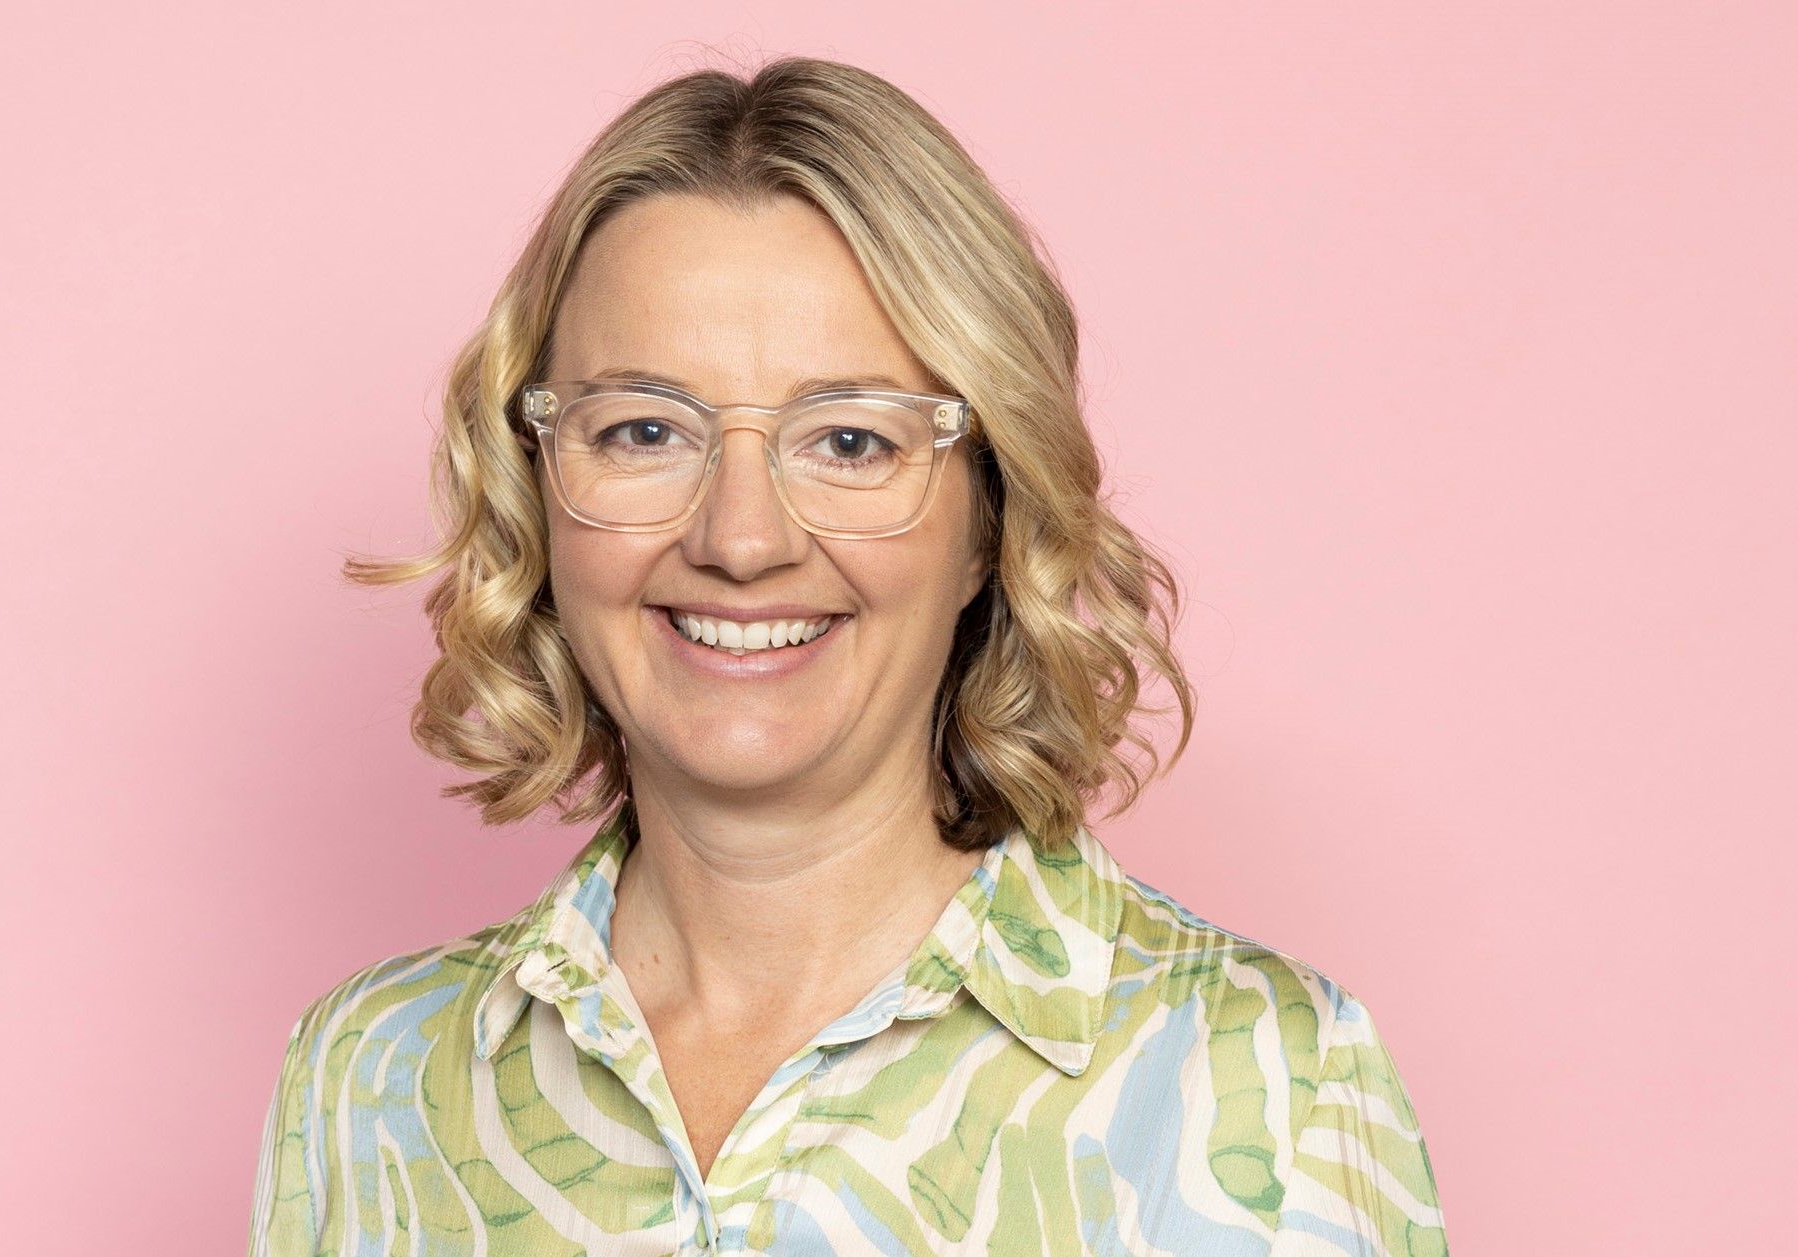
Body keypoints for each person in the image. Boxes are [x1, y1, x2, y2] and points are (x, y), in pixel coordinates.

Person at [249, 55, 1448, 1256]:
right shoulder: (368, 1078)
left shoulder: (1260, 1083)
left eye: (851, 441)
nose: (740, 539)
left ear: (989, 518)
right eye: (644, 430)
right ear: (540, 492)